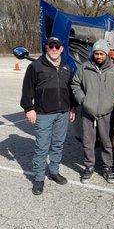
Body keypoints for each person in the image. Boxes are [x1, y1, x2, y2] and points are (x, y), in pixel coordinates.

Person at [21, 37, 76, 196]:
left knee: (58, 144)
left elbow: (70, 90)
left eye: (56, 46)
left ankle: (54, 171)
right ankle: (38, 179)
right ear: (47, 47)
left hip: (63, 113)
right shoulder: (36, 66)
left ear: (61, 49)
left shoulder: (66, 67)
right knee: (42, 146)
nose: (53, 49)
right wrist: (29, 109)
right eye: (51, 46)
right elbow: (27, 90)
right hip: (44, 113)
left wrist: (72, 107)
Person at [71, 39, 114, 184]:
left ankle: (107, 167)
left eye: (101, 53)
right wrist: (83, 100)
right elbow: (75, 84)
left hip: (106, 112)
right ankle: (89, 167)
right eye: (96, 53)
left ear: (106, 54)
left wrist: (113, 100)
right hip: (88, 111)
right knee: (88, 141)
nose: (98, 56)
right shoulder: (84, 68)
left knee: (106, 141)